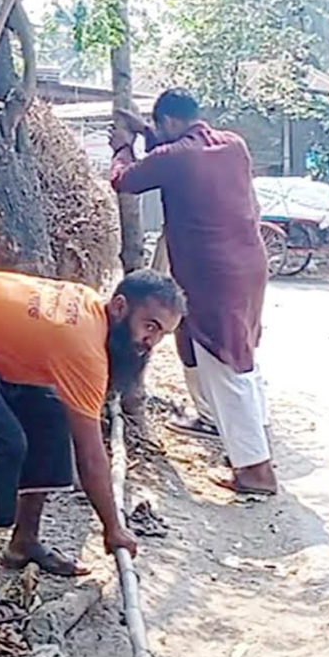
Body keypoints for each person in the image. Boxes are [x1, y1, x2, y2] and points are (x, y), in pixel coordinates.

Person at [0, 268, 185, 624]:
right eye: (149, 325)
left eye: (162, 333)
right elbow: (91, 456)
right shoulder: (83, 347)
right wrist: (113, 527)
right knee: (0, 446)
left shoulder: (95, 318)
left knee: (51, 418)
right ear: (119, 307)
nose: (151, 341)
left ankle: (23, 542)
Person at [110, 88, 276, 496]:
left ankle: (256, 470)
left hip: (211, 274)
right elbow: (176, 152)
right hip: (249, 264)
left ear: (167, 122)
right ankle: (220, 422)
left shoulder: (175, 157)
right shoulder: (232, 145)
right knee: (218, 348)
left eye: (158, 127)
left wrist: (122, 146)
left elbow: (124, 180)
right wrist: (147, 131)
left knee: (225, 359)